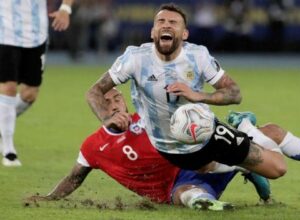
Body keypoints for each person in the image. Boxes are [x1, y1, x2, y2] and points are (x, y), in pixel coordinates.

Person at [86, 3, 287, 180]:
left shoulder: (197, 56)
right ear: (152, 31)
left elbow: (235, 93)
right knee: (206, 170)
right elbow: (94, 91)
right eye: (161, 21)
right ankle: (244, 165)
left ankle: (247, 130)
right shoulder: (135, 58)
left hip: (206, 133)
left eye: (173, 22)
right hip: (166, 147)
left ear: (184, 34)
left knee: (278, 168)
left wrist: (199, 95)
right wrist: (106, 118)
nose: (166, 25)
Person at [26, 88, 271, 211]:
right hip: (174, 188)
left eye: (116, 99)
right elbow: (74, 178)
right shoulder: (93, 146)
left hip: (194, 164)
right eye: (106, 102)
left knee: (234, 153)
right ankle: (208, 203)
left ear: (124, 100)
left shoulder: (147, 119)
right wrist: (48, 198)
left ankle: (252, 170)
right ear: (98, 109)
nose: (113, 105)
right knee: (184, 194)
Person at [0, 0, 74, 166]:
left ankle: (2, 125)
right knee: (8, 86)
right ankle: (9, 150)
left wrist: (65, 8)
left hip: (36, 35)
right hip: (5, 33)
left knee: (30, 94)